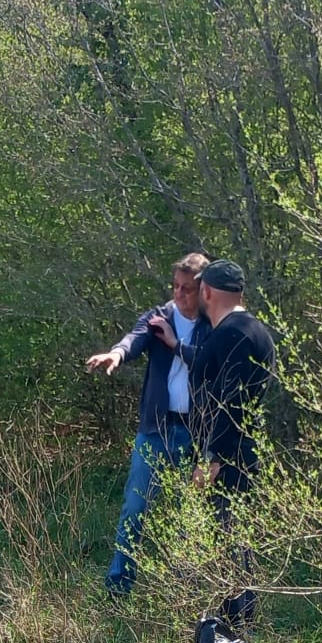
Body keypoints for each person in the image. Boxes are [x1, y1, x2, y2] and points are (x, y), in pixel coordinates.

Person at [85, 251, 210, 595]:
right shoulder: (159, 317)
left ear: (203, 290)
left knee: (191, 514)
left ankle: (186, 590)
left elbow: (211, 365)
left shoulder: (214, 324)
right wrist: (116, 354)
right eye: (176, 287)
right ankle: (119, 585)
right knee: (135, 507)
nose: (180, 294)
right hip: (155, 429)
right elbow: (134, 339)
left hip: (194, 433)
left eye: (187, 288)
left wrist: (176, 344)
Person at [167, 257, 274, 623]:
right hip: (241, 453)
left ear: (208, 292)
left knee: (230, 541)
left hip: (229, 459)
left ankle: (235, 628)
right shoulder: (253, 330)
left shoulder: (233, 335)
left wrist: (213, 458)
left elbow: (230, 403)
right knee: (232, 539)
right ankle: (233, 623)